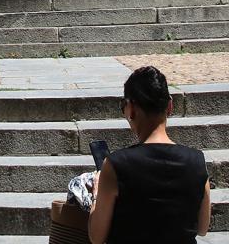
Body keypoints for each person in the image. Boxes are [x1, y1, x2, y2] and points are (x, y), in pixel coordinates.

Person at [88, 66, 210, 244]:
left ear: (131, 109)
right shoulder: (197, 161)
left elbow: (97, 237)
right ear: (169, 106)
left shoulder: (115, 165)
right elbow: (202, 228)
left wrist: (96, 194)